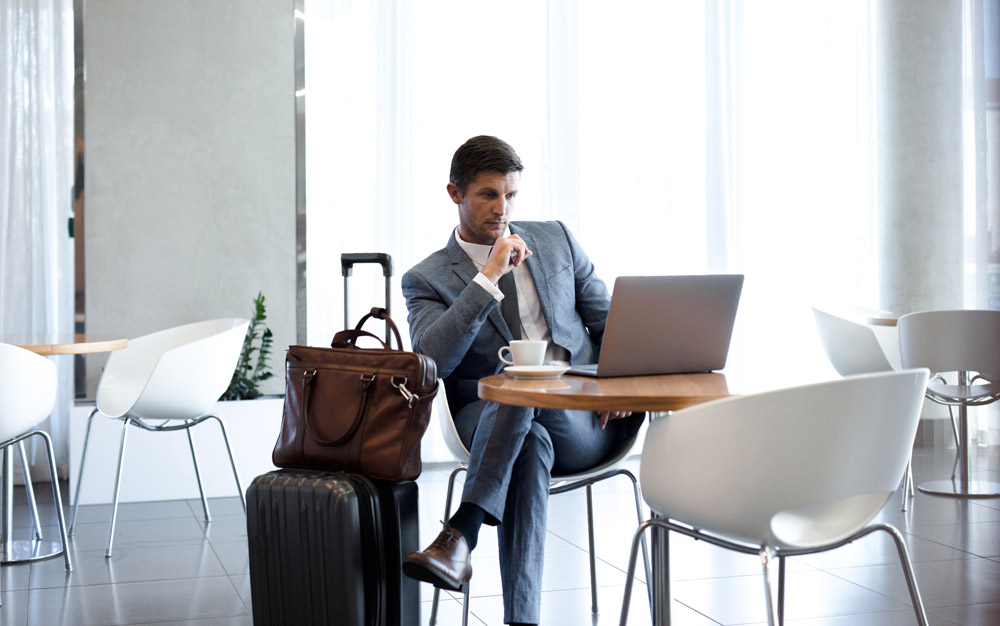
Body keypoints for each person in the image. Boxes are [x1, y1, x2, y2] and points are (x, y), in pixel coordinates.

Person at [400, 135, 643, 626]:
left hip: (581, 418)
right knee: (524, 429)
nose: (502, 208)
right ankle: (522, 621)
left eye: (511, 195)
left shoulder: (555, 239)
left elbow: (613, 325)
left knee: (524, 401)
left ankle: (461, 534)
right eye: (489, 194)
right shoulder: (425, 278)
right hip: (485, 416)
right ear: (455, 194)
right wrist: (486, 277)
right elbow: (433, 361)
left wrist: (617, 385)